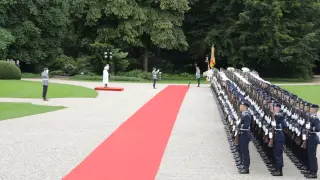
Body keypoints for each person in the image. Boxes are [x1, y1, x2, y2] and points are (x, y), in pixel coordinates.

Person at [270, 102, 287, 176]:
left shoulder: (279, 116)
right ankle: (277, 168)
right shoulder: (274, 115)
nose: (273, 108)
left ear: (278, 108)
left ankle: (280, 171)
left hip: (279, 137)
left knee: (278, 154)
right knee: (275, 153)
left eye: (275, 107)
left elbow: (284, 125)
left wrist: (276, 124)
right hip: (276, 136)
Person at [302, 104, 320, 178]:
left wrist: (310, 128)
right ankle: (310, 170)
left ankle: (313, 172)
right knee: (309, 154)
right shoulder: (311, 117)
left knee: (312, 155)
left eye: (312, 109)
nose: (311, 110)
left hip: (313, 137)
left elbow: (317, 129)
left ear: (315, 110)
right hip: (310, 137)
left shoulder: (316, 118)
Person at [237, 100, 252, 174]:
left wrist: (239, 125)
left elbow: (246, 125)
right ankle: (243, 165)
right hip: (242, 134)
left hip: (245, 134)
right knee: (242, 151)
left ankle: (246, 168)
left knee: (245, 151)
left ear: (245, 107)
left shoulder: (246, 115)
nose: (240, 107)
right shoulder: (243, 114)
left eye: (241, 106)